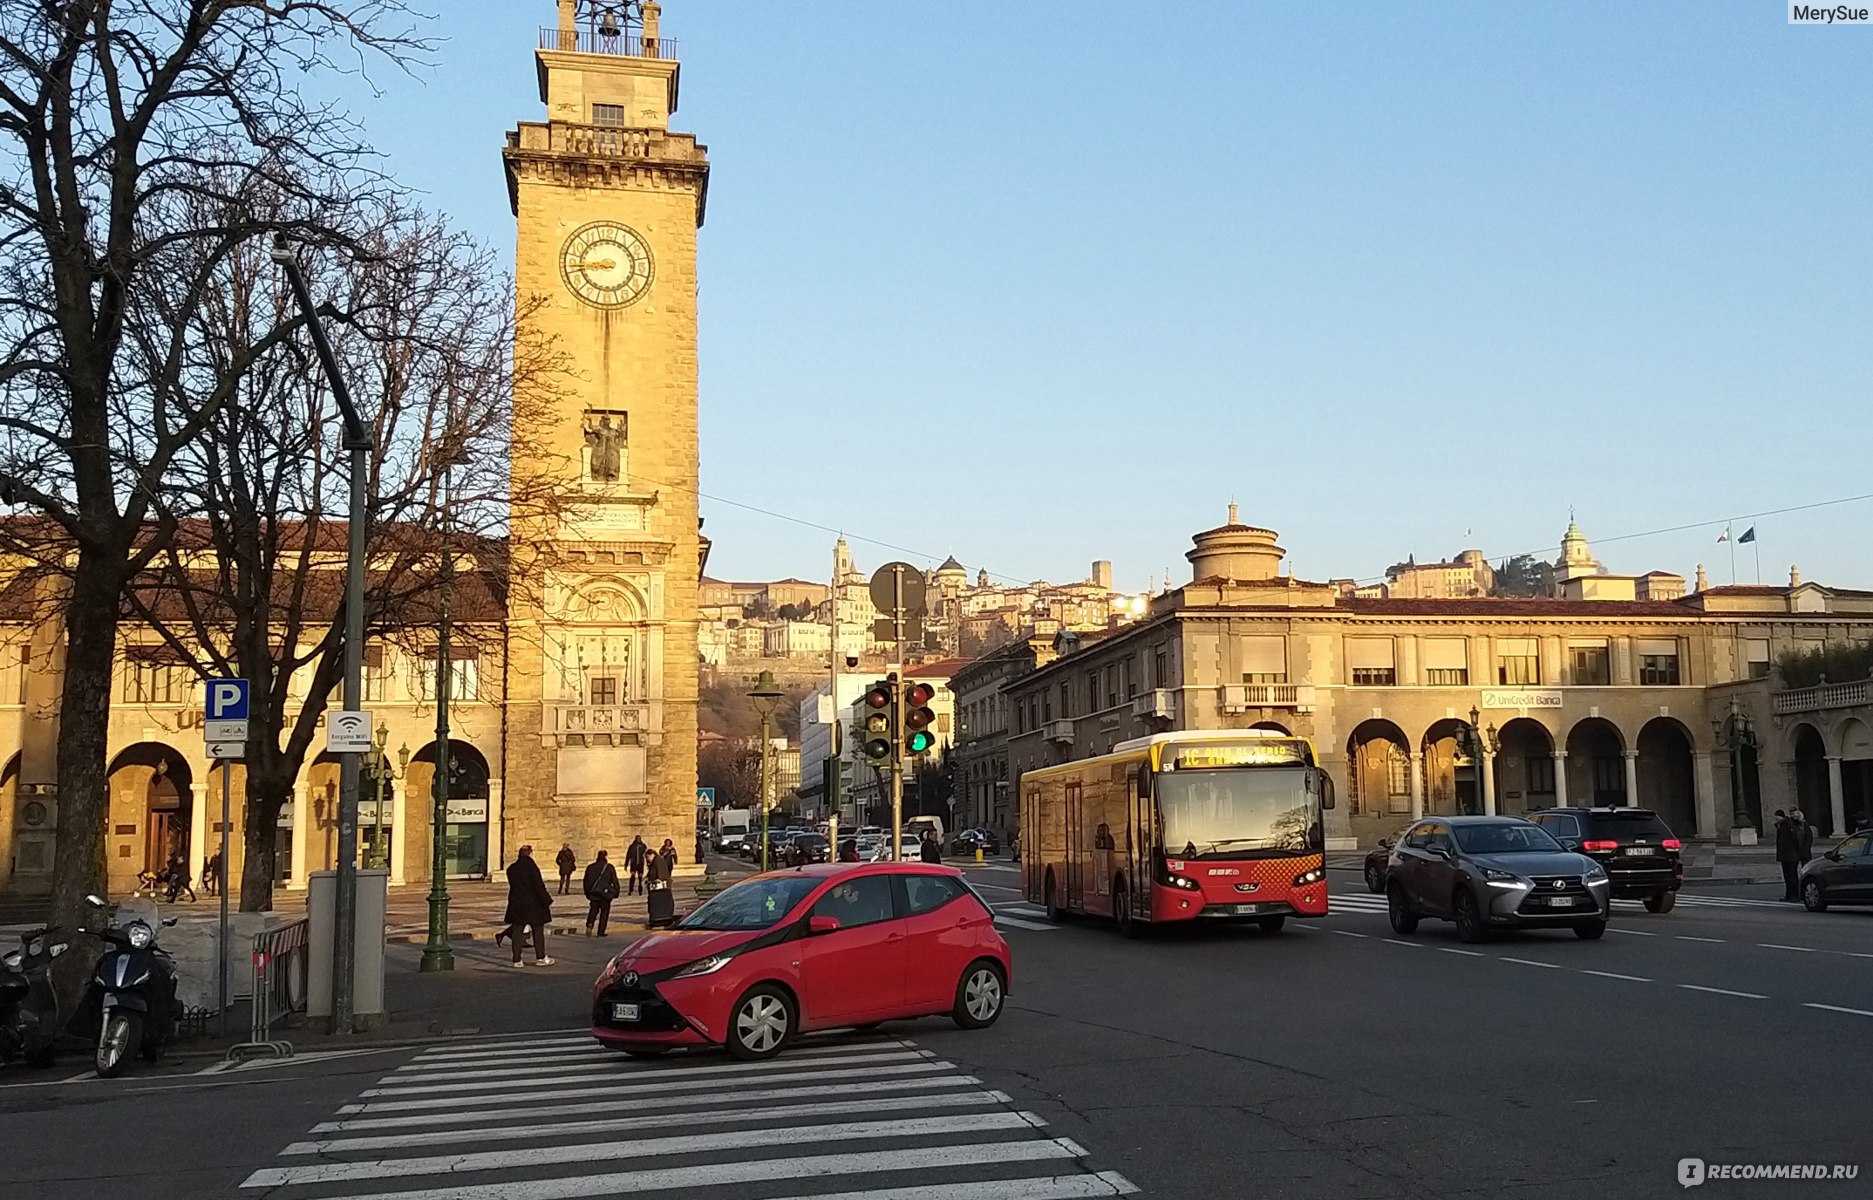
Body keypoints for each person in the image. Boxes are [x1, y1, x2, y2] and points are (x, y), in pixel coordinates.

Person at [497, 845, 555, 967]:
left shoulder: (511, 869)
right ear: (530, 853)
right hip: (534, 904)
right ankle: (540, 957)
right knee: (538, 931)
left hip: (517, 903)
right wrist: (547, 900)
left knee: (517, 932)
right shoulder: (532, 868)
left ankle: (517, 959)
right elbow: (538, 886)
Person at [582, 849, 620, 937]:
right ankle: (601, 931)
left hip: (593, 893)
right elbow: (614, 881)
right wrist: (616, 892)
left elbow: (586, 881)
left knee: (593, 910)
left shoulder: (590, 867)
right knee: (604, 913)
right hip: (605, 894)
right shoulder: (609, 867)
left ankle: (590, 924)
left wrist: (587, 893)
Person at [645, 838, 679, 928]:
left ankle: (662, 919)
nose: (647, 860)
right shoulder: (659, 856)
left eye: (648, 857)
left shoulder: (658, 861)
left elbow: (661, 874)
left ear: (651, 855)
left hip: (661, 888)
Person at [1773, 810, 1800, 901]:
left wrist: (1797, 851)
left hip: (1790, 855)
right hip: (1785, 855)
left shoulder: (1787, 825)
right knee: (1787, 876)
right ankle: (1789, 894)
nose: (1775, 819)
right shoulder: (1781, 826)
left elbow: (1795, 839)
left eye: (1777, 817)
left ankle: (1794, 895)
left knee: (1791, 876)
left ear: (1781, 817)